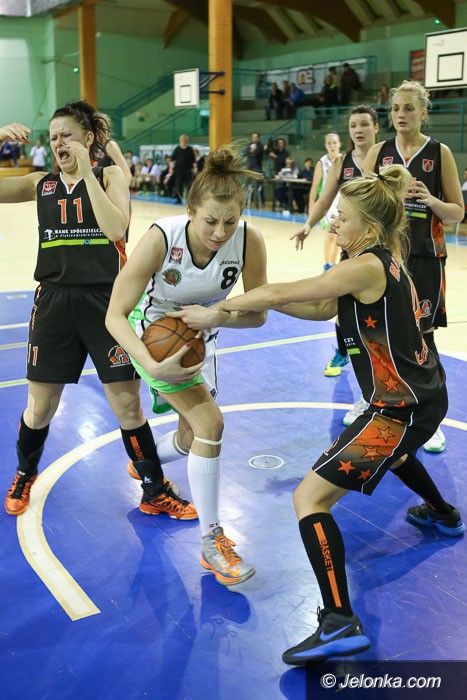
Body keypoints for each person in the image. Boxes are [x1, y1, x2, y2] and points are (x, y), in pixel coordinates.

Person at [219, 165, 465, 664]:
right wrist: (261, 305)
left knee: (309, 498)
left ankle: (338, 620)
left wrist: (215, 309)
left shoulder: (365, 266)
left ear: (368, 228)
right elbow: (321, 308)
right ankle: (443, 514)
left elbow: (282, 292)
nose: (333, 223)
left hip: (400, 409)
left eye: (341, 217)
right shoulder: (376, 259)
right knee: (396, 455)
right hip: (420, 395)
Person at [0, 105, 195, 520]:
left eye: (67, 135)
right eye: (53, 137)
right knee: (40, 407)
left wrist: (87, 174)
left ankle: (154, 489)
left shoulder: (111, 177)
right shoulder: (40, 183)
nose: (59, 143)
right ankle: (24, 472)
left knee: (128, 407)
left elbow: (116, 229)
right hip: (54, 304)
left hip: (108, 305)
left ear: (88, 139)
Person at [105, 144, 268, 586]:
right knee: (211, 425)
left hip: (201, 338)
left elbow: (257, 314)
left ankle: (147, 463)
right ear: (191, 209)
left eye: (230, 221)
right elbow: (114, 314)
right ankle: (212, 543)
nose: (220, 232)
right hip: (152, 337)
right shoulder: (162, 237)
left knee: (190, 435)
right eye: (211, 220)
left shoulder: (249, 241)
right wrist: (150, 366)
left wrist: (216, 317)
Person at [364, 80, 464, 453]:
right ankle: (378, 402)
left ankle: (430, 419)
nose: (401, 115)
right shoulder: (379, 152)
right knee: (381, 333)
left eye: (408, 108)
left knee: (424, 337)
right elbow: (362, 203)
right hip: (384, 257)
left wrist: (430, 199)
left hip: (424, 259)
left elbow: (457, 212)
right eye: (395, 108)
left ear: (424, 112)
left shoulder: (440, 152)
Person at [292, 106, 379, 385]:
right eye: (353, 125)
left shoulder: (388, 159)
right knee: (343, 304)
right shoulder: (342, 162)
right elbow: (325, 198)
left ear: (376, 127)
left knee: (378, 312)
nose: (358, 130)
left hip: (381, 249)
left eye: (364, 124)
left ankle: (380, 370)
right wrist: (308, 224)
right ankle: (343, 352)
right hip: (352, 247)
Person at [303, 132, 342, 269]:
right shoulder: (322, 163)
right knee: (331, 234)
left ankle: (333, 263)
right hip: (328, 203)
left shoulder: (344, 160)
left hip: (341, 202)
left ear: (339, 144)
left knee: (338, 236)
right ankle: (327, 264)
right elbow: (314, 187)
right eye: (329, 143)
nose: (332, 146)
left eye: (335, 143)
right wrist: (311, 209)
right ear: (325, 145)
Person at [171, 134, 196, 203]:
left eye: (184, 140)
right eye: (182, 140)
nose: (183, 141)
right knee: (178, 185)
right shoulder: (177, 149)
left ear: (187, 141)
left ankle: (189, 200)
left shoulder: (190, 149)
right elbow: (172, 159)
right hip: (178, 171)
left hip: (188, 170)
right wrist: (171, 168)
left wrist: (194, 169)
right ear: (180, 141)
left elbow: (194, 160)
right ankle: (178, 199)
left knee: (189, 185)